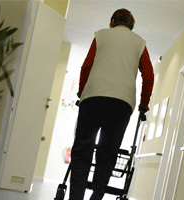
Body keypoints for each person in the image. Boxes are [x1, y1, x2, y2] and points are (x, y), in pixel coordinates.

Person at [69, 8, 154, 200]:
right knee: (108, 153)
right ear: (131, 23)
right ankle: (96, 197)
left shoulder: (101, 35)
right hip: (122, 104)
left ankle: (75, 197)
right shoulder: (140, 43)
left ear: (113, 20)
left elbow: (86, 66)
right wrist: (144, 104)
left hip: (93, 98)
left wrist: (82, 92)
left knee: (83, 149)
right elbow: (148, 75)